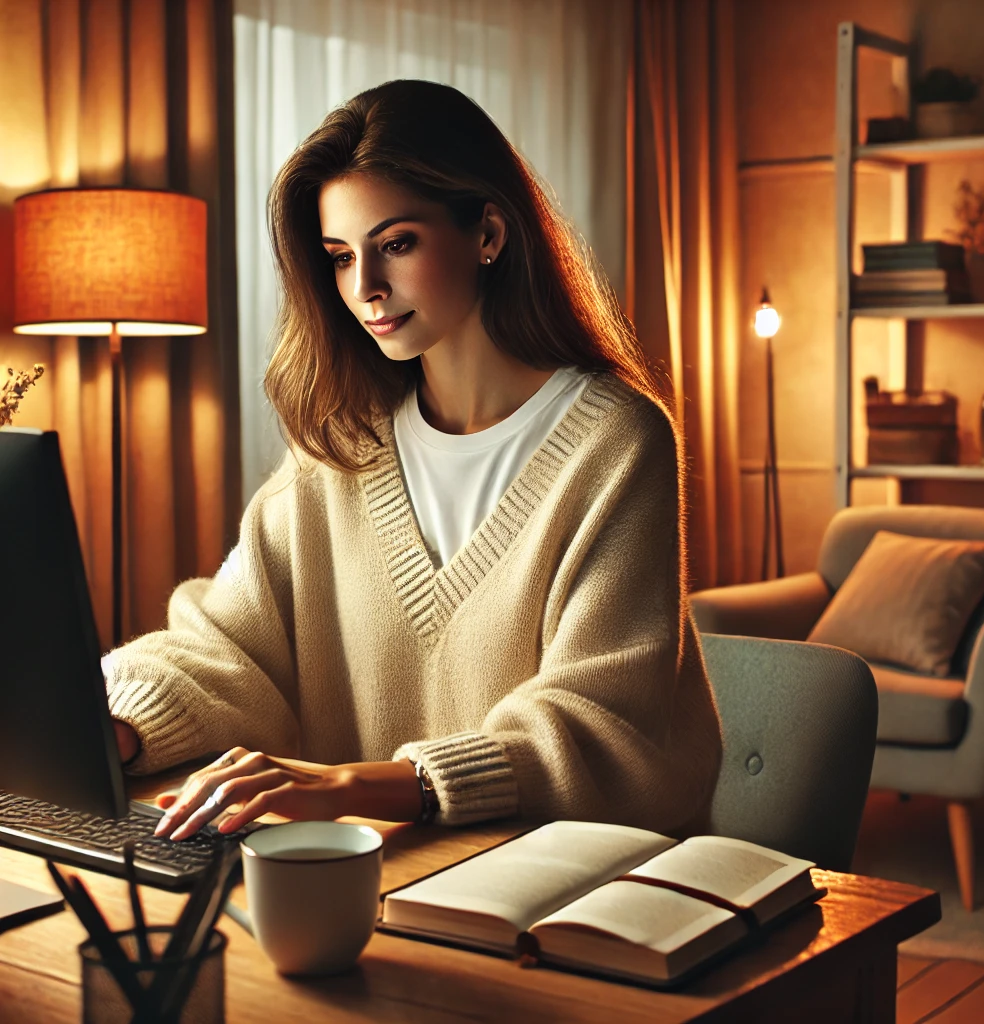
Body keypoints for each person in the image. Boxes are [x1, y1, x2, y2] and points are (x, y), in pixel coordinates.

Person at [103, 79, 722, 843]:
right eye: (340, 257)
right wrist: (117, 726)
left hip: (563, 877)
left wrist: (367, 785)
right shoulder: (341, 445)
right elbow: (227, 646)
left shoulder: (617, 439)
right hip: (368, 873)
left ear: (487, 232)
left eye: (396, 244)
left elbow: (601, 717)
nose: (365, 288)